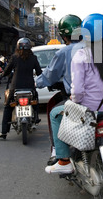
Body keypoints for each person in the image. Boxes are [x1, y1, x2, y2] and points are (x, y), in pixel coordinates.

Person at [45, 13, 103, 174]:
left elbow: (77, 92)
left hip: (90, 111)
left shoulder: (81, 55)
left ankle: (63, 160)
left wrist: (74, 99)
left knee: (55, 114)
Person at [35, 14, 83, 165]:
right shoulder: (99, 50)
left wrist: (36, 83)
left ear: (63, 36)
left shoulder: (65, 52)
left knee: (55, 114)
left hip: (79, 99)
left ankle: (61, 156)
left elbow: (50, 75)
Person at [0, 38, 42, 139]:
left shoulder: (14, 57)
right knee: (35, 100)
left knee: (8, 107)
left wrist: (2, 74)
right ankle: (36, 119)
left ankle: (4, 132)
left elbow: (7, 71)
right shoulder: (33, 58)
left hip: (16, 87)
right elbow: (39, 73)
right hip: (30, 87)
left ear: (17, 47)